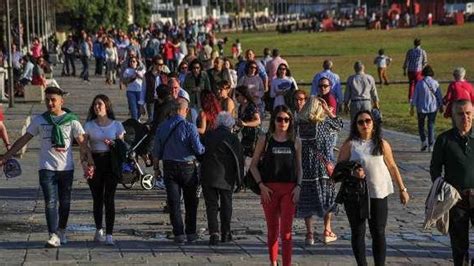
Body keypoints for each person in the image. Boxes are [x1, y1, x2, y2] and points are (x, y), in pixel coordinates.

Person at [0, 87, 94, 248]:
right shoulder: (40, 120)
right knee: (50, 201)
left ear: (61, 101)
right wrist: (6, 155)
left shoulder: (72, 120)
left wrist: (90, 163)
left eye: (53, 100)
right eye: (47, 100)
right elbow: (24, 139)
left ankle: (62, 230)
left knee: (65, 203)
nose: (50, 103)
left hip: (66, 168)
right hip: (46, 168)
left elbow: (83, 144)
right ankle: (53, 234)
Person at [338, 110, 410, 266]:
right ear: (355, 126)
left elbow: (392, 166)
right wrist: (353, 172)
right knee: (358, 232)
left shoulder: (382, 144)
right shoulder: (350, 144)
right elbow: (339, 169)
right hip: (356, 195)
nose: (365, 124)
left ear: (373, 123)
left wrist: (402, 189)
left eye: (368, 121)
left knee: (378, 232)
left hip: (378, 192)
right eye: (360, 122)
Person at [250, 105, 303, 266]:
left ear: (290, 122)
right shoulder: (265, 139)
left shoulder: (295, 141)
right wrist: (261, 186)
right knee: (273, 231)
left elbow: (300, 167)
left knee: (286, 232)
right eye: (279, 119)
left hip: (289, 189)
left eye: (286, 119)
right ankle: (273, 261)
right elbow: (253, 165)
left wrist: (299, 186)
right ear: (274, 120)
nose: (283, 122)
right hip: (269, 190)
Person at [152, 98, 205, 244]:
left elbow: (156, 151)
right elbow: (199, 149)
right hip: (187, 167)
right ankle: (191, 232)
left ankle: (178, 234)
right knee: (191, 202)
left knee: (174, 202)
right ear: (185, 110)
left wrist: (156, 169)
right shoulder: (190, 127)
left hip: (169, 167)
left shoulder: (163, 126)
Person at [430, 100, 474, 266]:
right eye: (460, 114)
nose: (465, 117)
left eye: (468, 113)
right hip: (456, 200)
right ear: (453, 117)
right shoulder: (444, 140)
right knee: (459, 245)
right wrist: (443, 188)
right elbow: (435, 168)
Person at [295, 96, 343, 246]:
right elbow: (339, 124)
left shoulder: (298, 125)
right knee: (327, 197)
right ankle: (327, 230)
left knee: (307, 198)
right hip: (323, 168)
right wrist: (329, 111)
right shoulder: (324, 124)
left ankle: (309, 234)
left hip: (305, 167)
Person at [83, 94, 125, 246]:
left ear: (107, 106)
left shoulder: (116, 125)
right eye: (95, 105)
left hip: (111, 162)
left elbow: (122, 149)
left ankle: (109, 234)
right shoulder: (88, 125)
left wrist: (114, 143)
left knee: (109, 198)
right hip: (95, 162)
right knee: (97, 198)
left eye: (100, 104)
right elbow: (83, 146)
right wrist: (87, 163)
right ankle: (99, 229)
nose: (97, 107)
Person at [201, 111, 244, 245]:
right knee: (226, 204)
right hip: (226, 176)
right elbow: (239, 160)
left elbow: (199, 152)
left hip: (208, 174)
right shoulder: (233, 138)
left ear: (217, 123)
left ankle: (214, 233)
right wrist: (240, 180)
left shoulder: (208, 135)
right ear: (230, 124)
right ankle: (226, 232)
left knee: (211, 205)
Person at [410, 65, 443, 152]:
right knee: (431, 125)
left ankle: (423, 141)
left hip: (421, 108)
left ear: (423, 73)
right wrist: (441, 106)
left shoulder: (420, 83)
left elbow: (415, 96)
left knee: (421, 125)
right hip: (433, 107)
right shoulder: (435, 83)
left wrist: (412, 107)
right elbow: (439, 96)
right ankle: (431, 145)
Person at [235, 85, 261, 158]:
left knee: (251, 158)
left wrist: (246, 124)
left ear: (243, 95)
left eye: (237, 95)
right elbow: (241, 123)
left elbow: (258, 121)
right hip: (245, 136)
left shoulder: (251, 106)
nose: (236, 97)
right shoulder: (240, 107)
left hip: (253, 137)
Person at [140, 56, 169, 123]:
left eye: (162, 64)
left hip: (162, 101)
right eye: (159, 64)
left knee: (162, 120)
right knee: (151, 119)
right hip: (151, 101)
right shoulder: (147, 75)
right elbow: (143, 90)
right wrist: (141, 104)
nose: (161, 66)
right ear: (154, 64)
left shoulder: (164, 75)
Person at [123, 56, 146, 121]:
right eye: (131, 61)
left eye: (134, 61)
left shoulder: (142, 70)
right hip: (130, 91)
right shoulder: (127, 70)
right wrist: (132, 77)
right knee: (133, 108)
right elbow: (124, 81)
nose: (132, 63)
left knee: (139, 107)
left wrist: (140, 76)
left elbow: (145, 80)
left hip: (140, 91)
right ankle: (135, 121)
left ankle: (138, 119)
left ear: (137, 62)